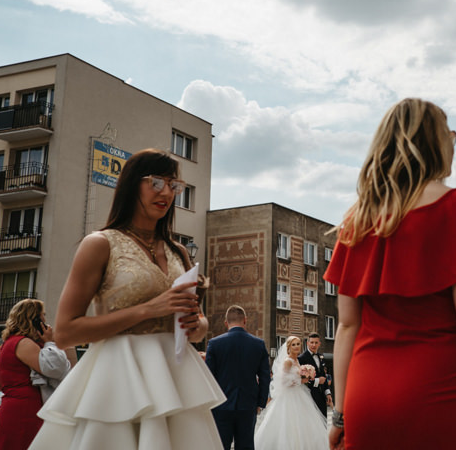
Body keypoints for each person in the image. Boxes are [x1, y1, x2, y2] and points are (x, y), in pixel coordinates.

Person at [324, 98, 456, 450]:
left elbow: (348, 326)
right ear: (434, 143)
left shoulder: (356, 223)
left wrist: (340, 415)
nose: (453, 144)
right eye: (449, 135)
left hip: (367, 395)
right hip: (438, 387)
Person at [29, 149, 224, 449]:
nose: (166, 192)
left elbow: (197, 327)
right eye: (156, 182)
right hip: (118, 377)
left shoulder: (179, 252)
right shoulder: (100, 244)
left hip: (175, 378)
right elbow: (66, 332)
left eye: (174, 185)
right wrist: (148, 309)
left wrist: (198, 325)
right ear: (133, 183)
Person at [0, 299, 67, 449]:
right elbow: (56, 368)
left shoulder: (7, 344)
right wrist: (50, 342)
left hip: (11, 408)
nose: (45, 320)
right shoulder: (24, 343)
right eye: (43, 315)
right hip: (26, 410)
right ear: (34, 319)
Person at [206, 305, 271, 450]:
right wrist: (260, 402)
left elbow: (208, 376)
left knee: (221, 446)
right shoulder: (258, 344)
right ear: (245, 320)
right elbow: (265, 376)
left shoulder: (214, 344)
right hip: (248, 404)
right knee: (246, 445)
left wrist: (210, 403)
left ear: (226, 322)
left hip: (221, 404)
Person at [254, 336, 327, 450]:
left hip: (299, 393)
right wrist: (302, 380)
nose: (296, 346)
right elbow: (283, 381)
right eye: (293, 344)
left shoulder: (297, 360)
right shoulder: (288, 361)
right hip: (288, 396)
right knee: (288, 423)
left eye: (298, 344)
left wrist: (306, 375)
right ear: (288, 347)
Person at [298, 332, 331, 419]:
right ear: (307, 343)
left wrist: (328, 393)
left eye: (316, 342)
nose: (314, 345)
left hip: (322, 397)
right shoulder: (301, 358)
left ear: (319, 343)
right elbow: (300, 380)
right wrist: (317, 381)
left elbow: (324, 375)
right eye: (312, 342)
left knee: (323, 422)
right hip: (309, 396)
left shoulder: (321, 356)